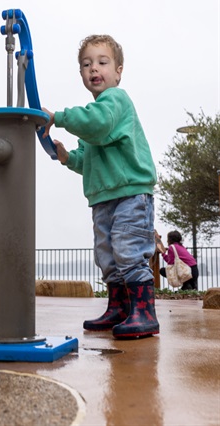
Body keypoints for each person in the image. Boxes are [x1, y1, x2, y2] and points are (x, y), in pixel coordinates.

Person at [42, 34, 159, 339]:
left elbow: (98, 125)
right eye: (86, 64)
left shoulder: (114, 103)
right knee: (107, 255)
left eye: (102, 62)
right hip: (103, 198)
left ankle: (145, 313)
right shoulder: (94, 118)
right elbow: (87, 159)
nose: (94, 68)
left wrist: (59, 117)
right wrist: (68, 157)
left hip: (131, 193)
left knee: (128, 249)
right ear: (81, 74)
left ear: (119, 71)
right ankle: (120, 308)